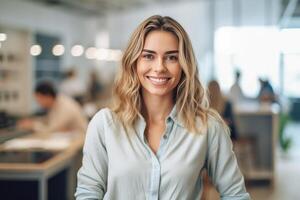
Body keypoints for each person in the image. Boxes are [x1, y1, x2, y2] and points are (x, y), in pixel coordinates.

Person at [75, 15, 250, 200]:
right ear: (134, 62)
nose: (159, 67)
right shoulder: (104, 125)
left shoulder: (207, 127)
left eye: (172, 57)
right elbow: (88, 194)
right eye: (148, 56)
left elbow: (235, 195)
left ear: (184, 65)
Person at [18, 81, 88, 134]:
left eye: (39, 99)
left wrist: (33, 125)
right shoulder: (57, 102)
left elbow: (51, 130)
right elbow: (50, 120)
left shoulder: (65, 107)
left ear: (47, 96)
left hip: (80, 144)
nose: (38, 103)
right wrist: (34, 122)